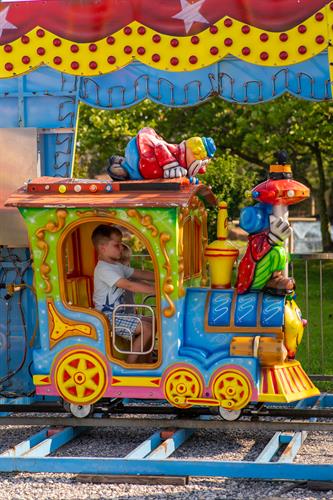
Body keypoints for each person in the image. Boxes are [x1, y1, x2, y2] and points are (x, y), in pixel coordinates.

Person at [92, 224, 155, 363]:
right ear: (103, 248)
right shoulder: (103, 269)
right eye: (117, 245)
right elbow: (129, 285)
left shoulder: (116, 266)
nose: (121, 247)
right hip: (108, 317)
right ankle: (130, 366)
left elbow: (140, 273)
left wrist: (162, 277)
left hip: (120, 314)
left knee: (155, 321)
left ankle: (146, 363)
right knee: (147, 328)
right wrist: (158, 291)